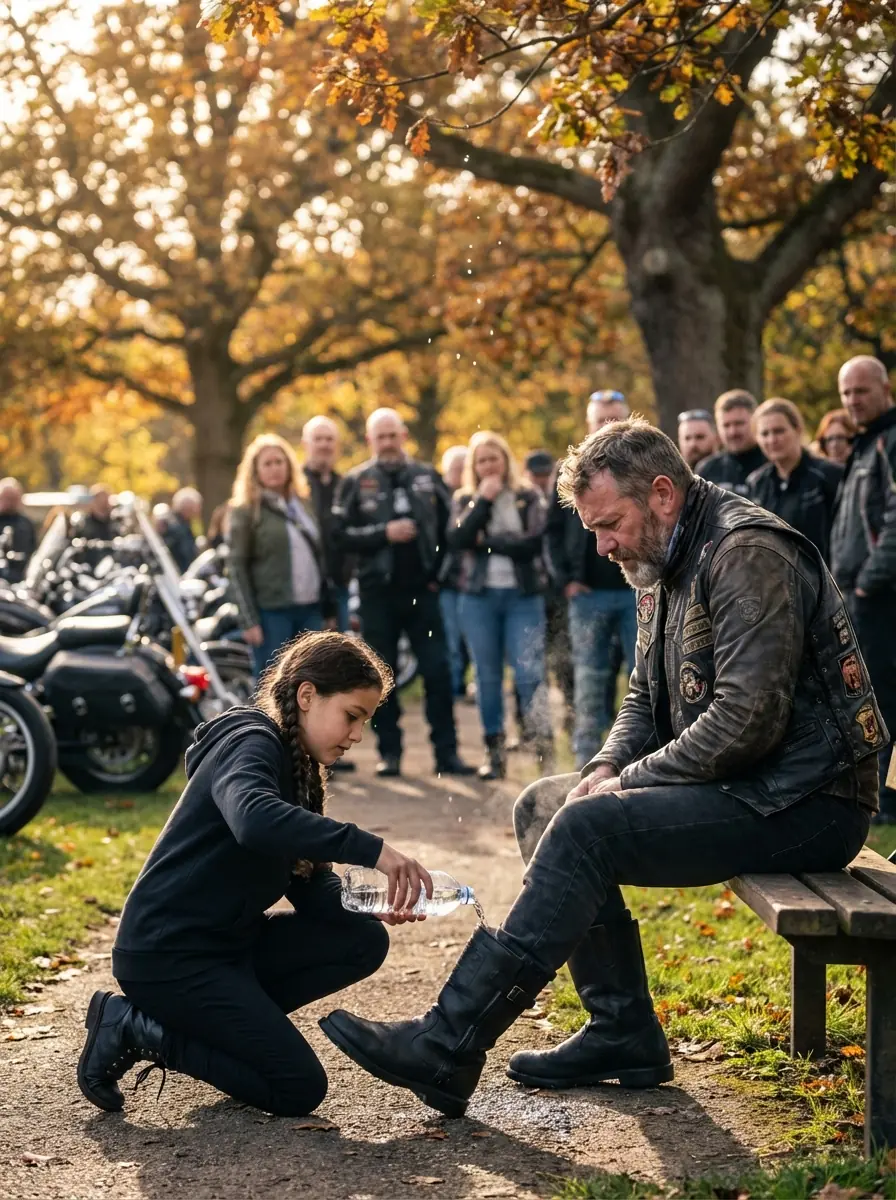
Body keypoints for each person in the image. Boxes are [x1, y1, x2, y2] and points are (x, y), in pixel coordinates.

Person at [319, 418, 881, 1119]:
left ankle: (447, 1040)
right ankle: (622, 1032)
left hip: (811, 801)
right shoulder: (667, 555)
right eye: (591, 528)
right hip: (755, 785)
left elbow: (748, 718)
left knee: (585, 829)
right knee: (542, 805)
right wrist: (608, 763)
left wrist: (630, 782)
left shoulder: (745, 552)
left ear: (664, 495)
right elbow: (645, 696)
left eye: (610, 524)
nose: (601, 545)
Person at [77, 632, 435, 1117]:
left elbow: (311, 892)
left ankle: (225, 1032)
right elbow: (254, 820)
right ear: (307, 695)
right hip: (168, 957)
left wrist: (371, 904)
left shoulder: (300, 767)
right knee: (297, 1088)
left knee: (363, 939)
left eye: (365, 722)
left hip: (228, 949)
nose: (356, 735)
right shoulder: (250, 740)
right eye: (352, 716)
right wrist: (370, 849)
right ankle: (135, 1027)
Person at [332, 408, 473, 778]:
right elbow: (340, 536)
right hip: (378, 596)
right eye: (381, 437)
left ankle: (447, 754)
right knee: (380, 679)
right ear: (370, 440)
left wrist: (439, 578)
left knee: (438, 673)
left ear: (404, 435)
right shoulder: (355, 481)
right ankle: (388, 754)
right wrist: (384, 532)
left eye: (393, 435)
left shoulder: (427, 477)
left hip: (423, 596)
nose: (388, 443)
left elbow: (451, 535)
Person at [446, 432, 551, 780]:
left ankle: (542, 747)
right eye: (482, 460)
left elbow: (532, 545)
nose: (489, 465)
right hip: (478, 599)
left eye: (494, 458)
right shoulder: (465, 499)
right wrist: (484, 502)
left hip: (523, 596)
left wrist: (487, 543)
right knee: (487, 677)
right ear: (474, 467)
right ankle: (495, 753)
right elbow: (459, 539)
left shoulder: (527, 497)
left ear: (506, 460)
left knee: (529, 673)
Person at [547, 391, 633, 769]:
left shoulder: (641, 469)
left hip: (636, 593)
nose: (608, 427)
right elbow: (550, 532)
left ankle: (643, 756)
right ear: (589, 424)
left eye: (615, 420)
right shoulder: (568, 472)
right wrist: (565, 579)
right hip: (587, 595)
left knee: (643, 675)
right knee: (589, 678)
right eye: (601, 420)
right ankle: (586, 759)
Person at [830, 356, 896, 822]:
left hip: (882, 600)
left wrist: (870, 582)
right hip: (859, 598)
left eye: (862, 391)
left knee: (889, 700)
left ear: (885, 388)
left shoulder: (891, 441)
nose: (853, 400)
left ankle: (891, 802)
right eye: (846, 393)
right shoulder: (866, 444)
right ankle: (886, 800)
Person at [228, 434, 328, 679]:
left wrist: (329, 608)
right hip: (272, 613)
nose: (274, 468)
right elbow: (236, 567)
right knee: (273, 684)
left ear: (289, 465)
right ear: (255, 471)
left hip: (310, 608)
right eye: (267, 463)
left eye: (279, 462)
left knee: (312, 682)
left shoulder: (302, 505)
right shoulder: (246, 511)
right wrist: (249, 620)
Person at [747, 398, 842, 562]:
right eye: (765, 433)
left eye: (779, 431)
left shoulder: (829, 475)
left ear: (797, 430)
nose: (772, 440)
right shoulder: (757, 482)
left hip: (822, 578)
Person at [524, 450, 574, 739]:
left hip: (558, 592)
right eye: (537, 476)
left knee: (564, 658)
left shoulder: (561, 496)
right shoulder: (522, 500)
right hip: (531, 591)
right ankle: (532, 728)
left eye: (546, 475)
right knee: (531, 661)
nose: (541, 481)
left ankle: (569, 712)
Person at [301, 416, 354, 635]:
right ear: (306, 444)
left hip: (340, 586)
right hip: (306, 590)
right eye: (318, 439)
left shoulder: (346, 485)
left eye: (329, 439)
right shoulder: (295, 486)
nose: (324, 444)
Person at [437, 445, 470, 701]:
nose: (458, 473)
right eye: (454, 468)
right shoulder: (438, 498)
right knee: (451, 640)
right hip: (447, 581)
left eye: (462, 467)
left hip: (469, 582)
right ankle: (454, 686)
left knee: (470, 640)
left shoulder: (472, 496)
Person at [696, 390, 766, 495]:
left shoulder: (773, 466)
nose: (733, 432)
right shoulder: (707, 469)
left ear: (756, 422)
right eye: (726, 425)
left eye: (739, 423)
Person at [0, 477, 36, 582]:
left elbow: (34, 550)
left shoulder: (26, 523)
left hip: (23, 578)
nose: (10, 502)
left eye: (14, 498)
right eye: (7, 498)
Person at [163, 487, 202, 572]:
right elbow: (186, 553)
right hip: (178, 574)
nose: (197, 510)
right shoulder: (176, 527)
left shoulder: (185, 524)